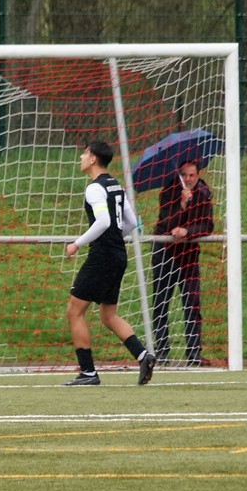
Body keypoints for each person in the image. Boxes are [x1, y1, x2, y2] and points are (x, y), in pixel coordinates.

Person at [63, 140, 156, 387]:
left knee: (74, 310)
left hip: (102, 256)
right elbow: (131, 223)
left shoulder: (94, 188)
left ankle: (88, 373)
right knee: (108, 315)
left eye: (84, 153)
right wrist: (115, 237)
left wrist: (76, 244)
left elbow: (103, 221)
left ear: (93, 158)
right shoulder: (116, 185)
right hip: (118, 255)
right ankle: (143, 356)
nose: (81, 157)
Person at [150, 160, 214, 367]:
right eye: (184, 175)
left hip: (188, 256)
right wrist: (182, 205)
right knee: (161, 303)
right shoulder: (168, 191)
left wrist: (188, 232)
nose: (187, 179)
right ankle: (162, 351)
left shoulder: (204, 193)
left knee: (192, 304)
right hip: (165, 253)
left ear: (198, 175)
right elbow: (166, 223)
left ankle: (194, 352)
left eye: (191, 175)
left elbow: (207, 225)